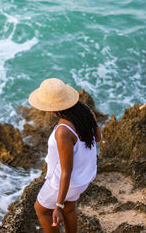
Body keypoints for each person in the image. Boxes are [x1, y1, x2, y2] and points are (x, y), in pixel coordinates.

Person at [28, 78, 101, 233]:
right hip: (85, 176)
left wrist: (58, 205)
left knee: (41, 210)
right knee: (70, 210)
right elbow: (98, 138)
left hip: (67, 182)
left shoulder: (63, 131)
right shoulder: (85, 111)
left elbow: (65, 172)